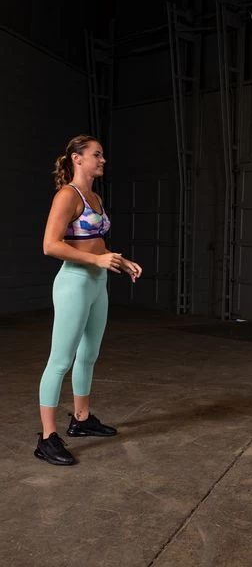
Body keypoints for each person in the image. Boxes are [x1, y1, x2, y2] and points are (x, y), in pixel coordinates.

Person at [35, 135, 142, 466]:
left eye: (102, 155)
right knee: (60, 360)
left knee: (89, 355)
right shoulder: (67, 195)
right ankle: (47, 438)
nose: (103, 160)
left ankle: (81, 420)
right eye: (97, 154)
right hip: (75, 283)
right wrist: (97, 260)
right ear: (77, 158)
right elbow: (50, 245)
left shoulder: (94, 197)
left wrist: (118, 260)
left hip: (97, 283)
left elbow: (94, 242)